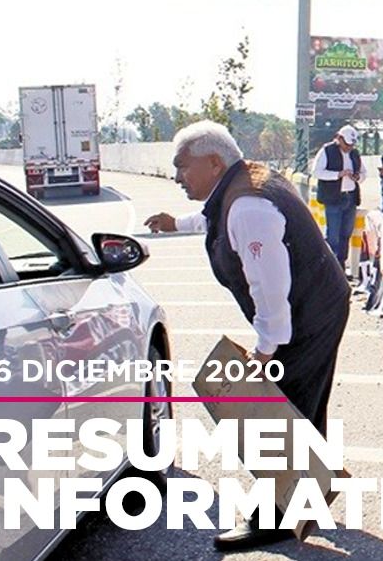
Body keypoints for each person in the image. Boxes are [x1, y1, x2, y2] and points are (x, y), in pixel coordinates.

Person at [143, 121, 350, 552]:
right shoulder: (240, 186)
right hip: (312, 305)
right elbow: (214, 219)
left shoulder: (249, 206)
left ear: (213, 162)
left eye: (183, 166)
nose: (177, 176)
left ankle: (275, 516)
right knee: (300, 405)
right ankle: (308, 495)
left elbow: (269, 283)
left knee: (282, 407)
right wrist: (174, 222)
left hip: (307, 314)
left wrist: (266, 348)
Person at [312, 124, 365, 271]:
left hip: (350, 197)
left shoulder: (354, 154)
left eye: (351, 145)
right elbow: (316, 172)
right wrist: (338, 175)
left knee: (346, 234)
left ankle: (341, 264)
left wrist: (357, 177)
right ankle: (331, 267)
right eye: (347, 144)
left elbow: (363, 173)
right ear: (339, 139)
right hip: (333, 198)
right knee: (333, 235)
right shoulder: (327, 151)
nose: (349, 148)